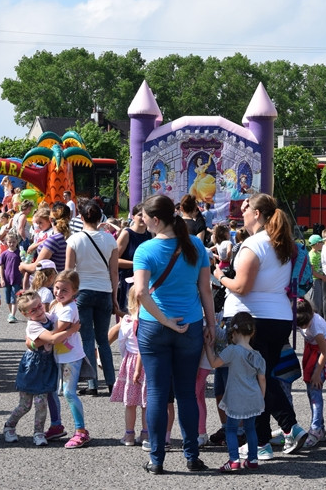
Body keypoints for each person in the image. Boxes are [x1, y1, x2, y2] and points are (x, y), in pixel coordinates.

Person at [213, 193, 309, 459]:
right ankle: (265, 440)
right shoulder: (282, 242)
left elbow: (242, 287)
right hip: (278, 317)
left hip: (251, 319)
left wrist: (219, 275)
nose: (242, 213)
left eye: (246, 209)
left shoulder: (254, 244)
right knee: (262, 379)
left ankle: (288, 429)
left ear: (257, 214)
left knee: (255, 380)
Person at [134, 194, 216, 474]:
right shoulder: (195, 244)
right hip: (190, 324)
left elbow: (141, 293)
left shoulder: (145, 250)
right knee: (187, 393)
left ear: (156, 220)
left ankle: (156, 459)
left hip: (154, 326)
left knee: (157, 392)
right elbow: (206, 290)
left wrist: (165, 320)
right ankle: (192, 456)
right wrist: (211, 325)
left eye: (144, 217)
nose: (143, 222)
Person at [4, 291, 75, 447]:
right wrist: (72, 330)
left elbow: (60, 318)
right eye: (33, 310)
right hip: (32, 367)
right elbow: (52, 338)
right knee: (25, 405)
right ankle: (9, 426)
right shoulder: (33, 325)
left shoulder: (48, 317)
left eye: (39, 306)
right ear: (25, 314)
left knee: (41, 403)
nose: (39, 310)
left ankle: (38, 432)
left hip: (46, 366)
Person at [65, 198, 120, 398]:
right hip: (104, 290)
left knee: (87, 338)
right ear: (100, 218)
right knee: (103, 340)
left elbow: (69, 271)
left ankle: (92, 383)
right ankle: (112, 382)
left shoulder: (74, 240)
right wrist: (114, 297)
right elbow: (114, 272)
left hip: (82, 291)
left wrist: (67, 297)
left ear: (81, 217)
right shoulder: (110, 239)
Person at [204, 312, 266, 473]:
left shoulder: (232, 350)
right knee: (250, 429)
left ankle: (234, 460)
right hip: (254, 397)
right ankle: (252, 459)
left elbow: (214, 363)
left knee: (231, 429)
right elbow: (262, 379)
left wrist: (208, 346)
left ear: (234, 332)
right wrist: (261, 397)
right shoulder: (258, 356)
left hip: (236, 397)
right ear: (252, 332)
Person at [49, 270, 91, 449]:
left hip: (71, 358)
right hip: (58, 355)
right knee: (52, 390)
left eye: (64, 290)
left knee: (69, 392)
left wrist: (35, 335)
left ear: (74, 291)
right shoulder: (56, 304)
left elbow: (54, 332)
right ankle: (56, 426)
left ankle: (81, 431)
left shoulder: (69, 309)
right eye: (57, 288)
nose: (59, 292)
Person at [294, 298, 326, 449]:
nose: (303, 327)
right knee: (311, 392)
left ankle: (315, 429)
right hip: (313, 352)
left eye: (305, 324)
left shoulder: (316, 326)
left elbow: (325, 352)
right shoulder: (303, 319)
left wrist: (316, 373)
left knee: (315, 391)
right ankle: (320, 427)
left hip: (323, 354)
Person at [109, 286, 147, 447]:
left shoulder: (127, 321)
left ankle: (129, 434)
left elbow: (122, 342)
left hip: (130, 362)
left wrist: (125, 358)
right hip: (147, 361)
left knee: (130, 403)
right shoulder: (150, 321)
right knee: (146, 402)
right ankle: (146, 434)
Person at [115, 203, 151, 313]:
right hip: (126, 282)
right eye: (140, 215)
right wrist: (137, 264)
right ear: (133, 216)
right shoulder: (127, 234)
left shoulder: (150, 235)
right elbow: (114, 260)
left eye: (145, 215)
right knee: (127, 316)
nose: (143, 218)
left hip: (144, 282)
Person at [0, 232, 23, 323]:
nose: (12, 244)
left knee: (14, 298)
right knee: (8, 299)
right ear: (6, 242)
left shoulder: (20, 253)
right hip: (7, 279)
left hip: (16, 278)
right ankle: (11, 314)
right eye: (9, 242)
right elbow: (1, 267)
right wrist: (2, 279)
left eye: (13, 242)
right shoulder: (4, 254)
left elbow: (23, 266)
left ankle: (12, 315)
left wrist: (23, 279)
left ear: (17, 241)